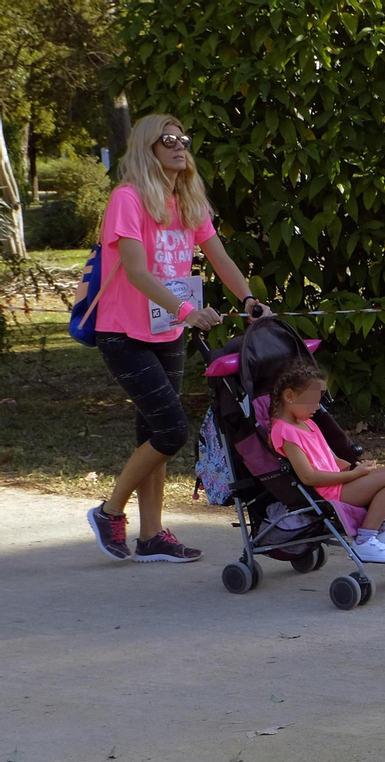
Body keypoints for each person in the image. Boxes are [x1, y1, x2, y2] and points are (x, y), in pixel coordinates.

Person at [85, 113, 274, 563]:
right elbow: (135, 271)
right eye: (167, 139)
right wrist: (187, 311)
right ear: (147, 148)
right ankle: (110, 511)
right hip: (123, 332)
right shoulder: (127, 199)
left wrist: (248, 299)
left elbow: (220, 257)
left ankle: (151, 536)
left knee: (152, 432)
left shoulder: (189, 202)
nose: (178, 145)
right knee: (170, 429)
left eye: (183, 139)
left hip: (164, 329)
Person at [267, 360, 385, 563]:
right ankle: (365, 541)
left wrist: (354, 467)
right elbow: (308, 476)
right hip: (330, 492)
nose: (317, 406)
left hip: (342, 481)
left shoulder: (308, 423)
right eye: (312, 400)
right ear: (289, 396)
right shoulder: (284, 431)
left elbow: (331, 459)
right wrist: (353, 475)